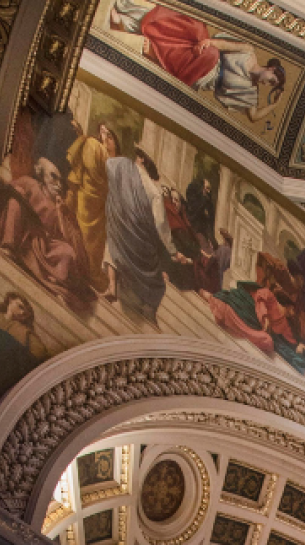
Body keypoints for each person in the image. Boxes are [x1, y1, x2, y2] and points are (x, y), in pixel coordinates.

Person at [109, 0, 287, 121]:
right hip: (205, 54)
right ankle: (131, 16)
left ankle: (131, 30)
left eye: (270, 86)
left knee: (206, 54)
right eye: (271, 80)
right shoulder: (249, 52)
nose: (266, 84)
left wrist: (275, 105)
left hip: (203, 76)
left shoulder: (250, 93)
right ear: (270, 68)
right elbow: (225, 45)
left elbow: (253, 117)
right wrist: (208, 41)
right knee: (193, 27)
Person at [0, 158, 95, 310]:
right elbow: (6, 191)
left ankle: (54, 281)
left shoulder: (59, 208)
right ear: (42, 175)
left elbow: (63, 239)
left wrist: (60, 211)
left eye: (60, 180)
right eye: (53, 176)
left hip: (41, 245)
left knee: (67, 251)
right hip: (19, 230)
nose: (58, 184)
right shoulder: (29, 183)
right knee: (15, 204)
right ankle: (8, 246)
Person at [103, 148, 186, 322]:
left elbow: (108, 167)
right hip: (138, 239)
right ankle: (146, 303)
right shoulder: (154, 191)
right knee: (152, 265)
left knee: (113, 236)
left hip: (119, 228)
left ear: (140, 159)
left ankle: (112, 286)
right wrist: (171, 251)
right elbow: (160, 225)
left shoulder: (122, 168)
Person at [65, 121, 118, 291]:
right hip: (87, 196)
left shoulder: (115, 163)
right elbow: (90, 168)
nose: (104, 136)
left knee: (94, 243)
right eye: (102, 132)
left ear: (115, 141)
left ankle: (87, 269)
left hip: (101, 207)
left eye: (108, 135)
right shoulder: (93, 145)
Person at [0, 293, 48, 405]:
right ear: (10, 300)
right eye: (20, 306)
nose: (22, 312)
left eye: (25, 312)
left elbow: (38, 356)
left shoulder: (24, 331)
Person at [185, 177, 215, 244]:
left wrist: (211, 239)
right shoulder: (193, 203)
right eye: (207, 188)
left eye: (209, 189)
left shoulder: (209, 205)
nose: (208, 191)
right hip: (193, 234)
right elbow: (191, 218)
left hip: (204, 236)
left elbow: (210, 225)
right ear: (201, 188)